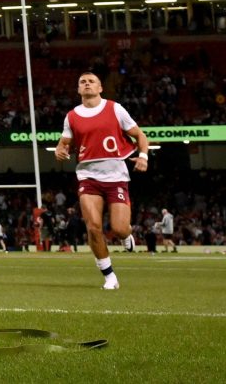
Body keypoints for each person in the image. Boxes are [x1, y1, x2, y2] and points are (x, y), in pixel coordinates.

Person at [53, 70, 152, 291]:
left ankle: (126, 235)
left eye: (91, 81)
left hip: (116, 176)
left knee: (118, 228)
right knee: (93, 226)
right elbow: (64, 143)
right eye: (82, 82)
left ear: (100, 88)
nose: (87, 84)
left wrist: (143, 156)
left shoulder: (114, 109)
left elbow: (140, 135)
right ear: (78, 89)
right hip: (88, 176)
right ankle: (109, 276)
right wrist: (59, 150)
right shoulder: (72, 116)